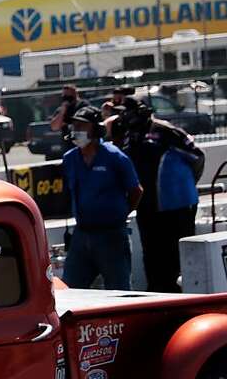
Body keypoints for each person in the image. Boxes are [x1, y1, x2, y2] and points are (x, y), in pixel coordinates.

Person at [119, 98, 204, 292]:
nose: (126, 116)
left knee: (177, 253)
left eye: (129, 112)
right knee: (151, 252)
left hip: (177, 205)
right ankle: (157, 291)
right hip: (147, 205)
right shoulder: (130, 136)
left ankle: (183, 292)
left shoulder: (167, 131)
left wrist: (185, 185)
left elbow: (197, 156)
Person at [61, 105, 142, 290]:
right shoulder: (70, 159)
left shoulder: (115, 157)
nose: (77, 131)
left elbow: (136, 191)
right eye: (75, 126)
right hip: (81, 235)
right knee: (70, 290)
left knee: (119, 291)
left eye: (83, 126)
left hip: (111, 235)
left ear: (96, 129)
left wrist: (120, 214)